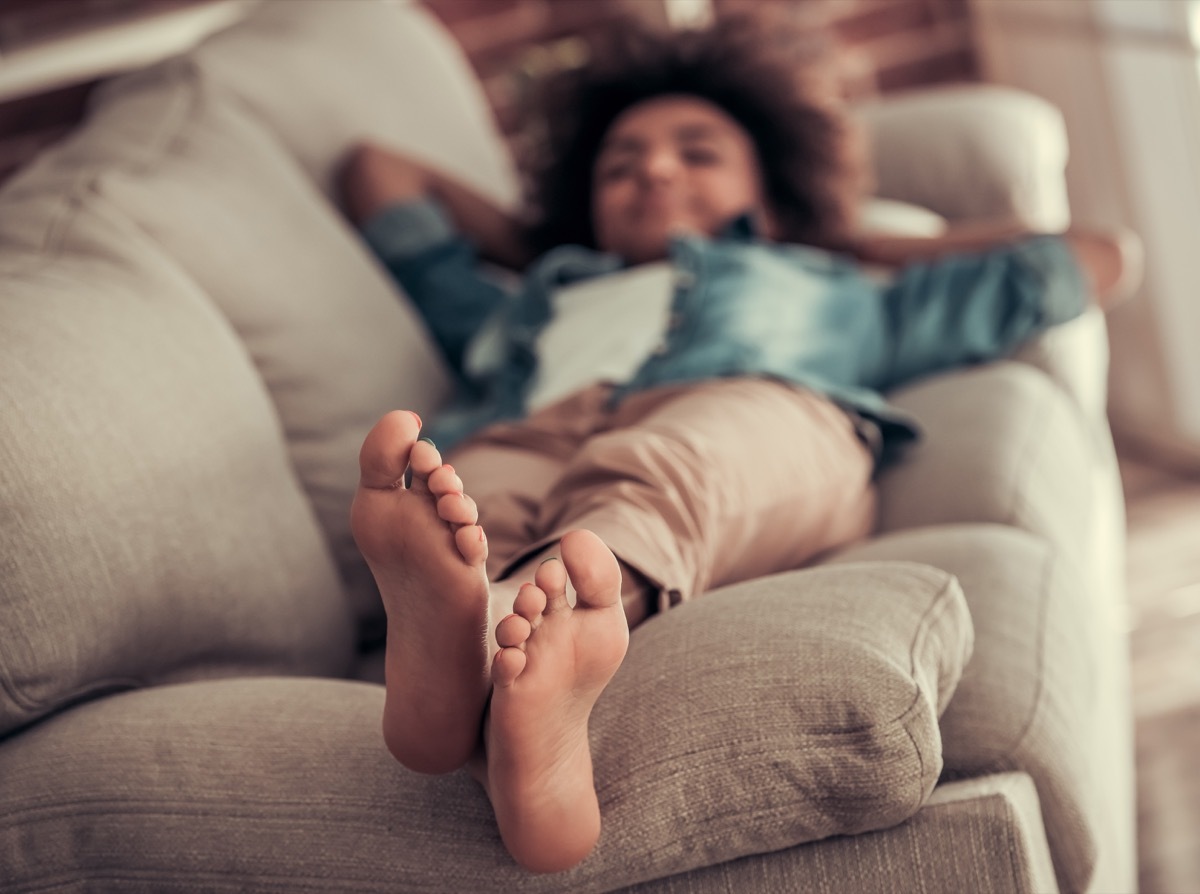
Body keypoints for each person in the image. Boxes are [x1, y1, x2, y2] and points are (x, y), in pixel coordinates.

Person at [339, 15, 1140, 875]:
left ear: (769, 190)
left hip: (754, 410)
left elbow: (1095, 258)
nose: (653, 168)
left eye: (697, 153)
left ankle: (525, 624)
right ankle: (472, 645)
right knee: (474, 488)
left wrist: (847, 238)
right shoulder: (535, 298)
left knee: (670, 467)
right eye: (620, 163)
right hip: (537, 424)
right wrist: (544, 243)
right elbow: (378, 174)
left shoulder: (840, 292)